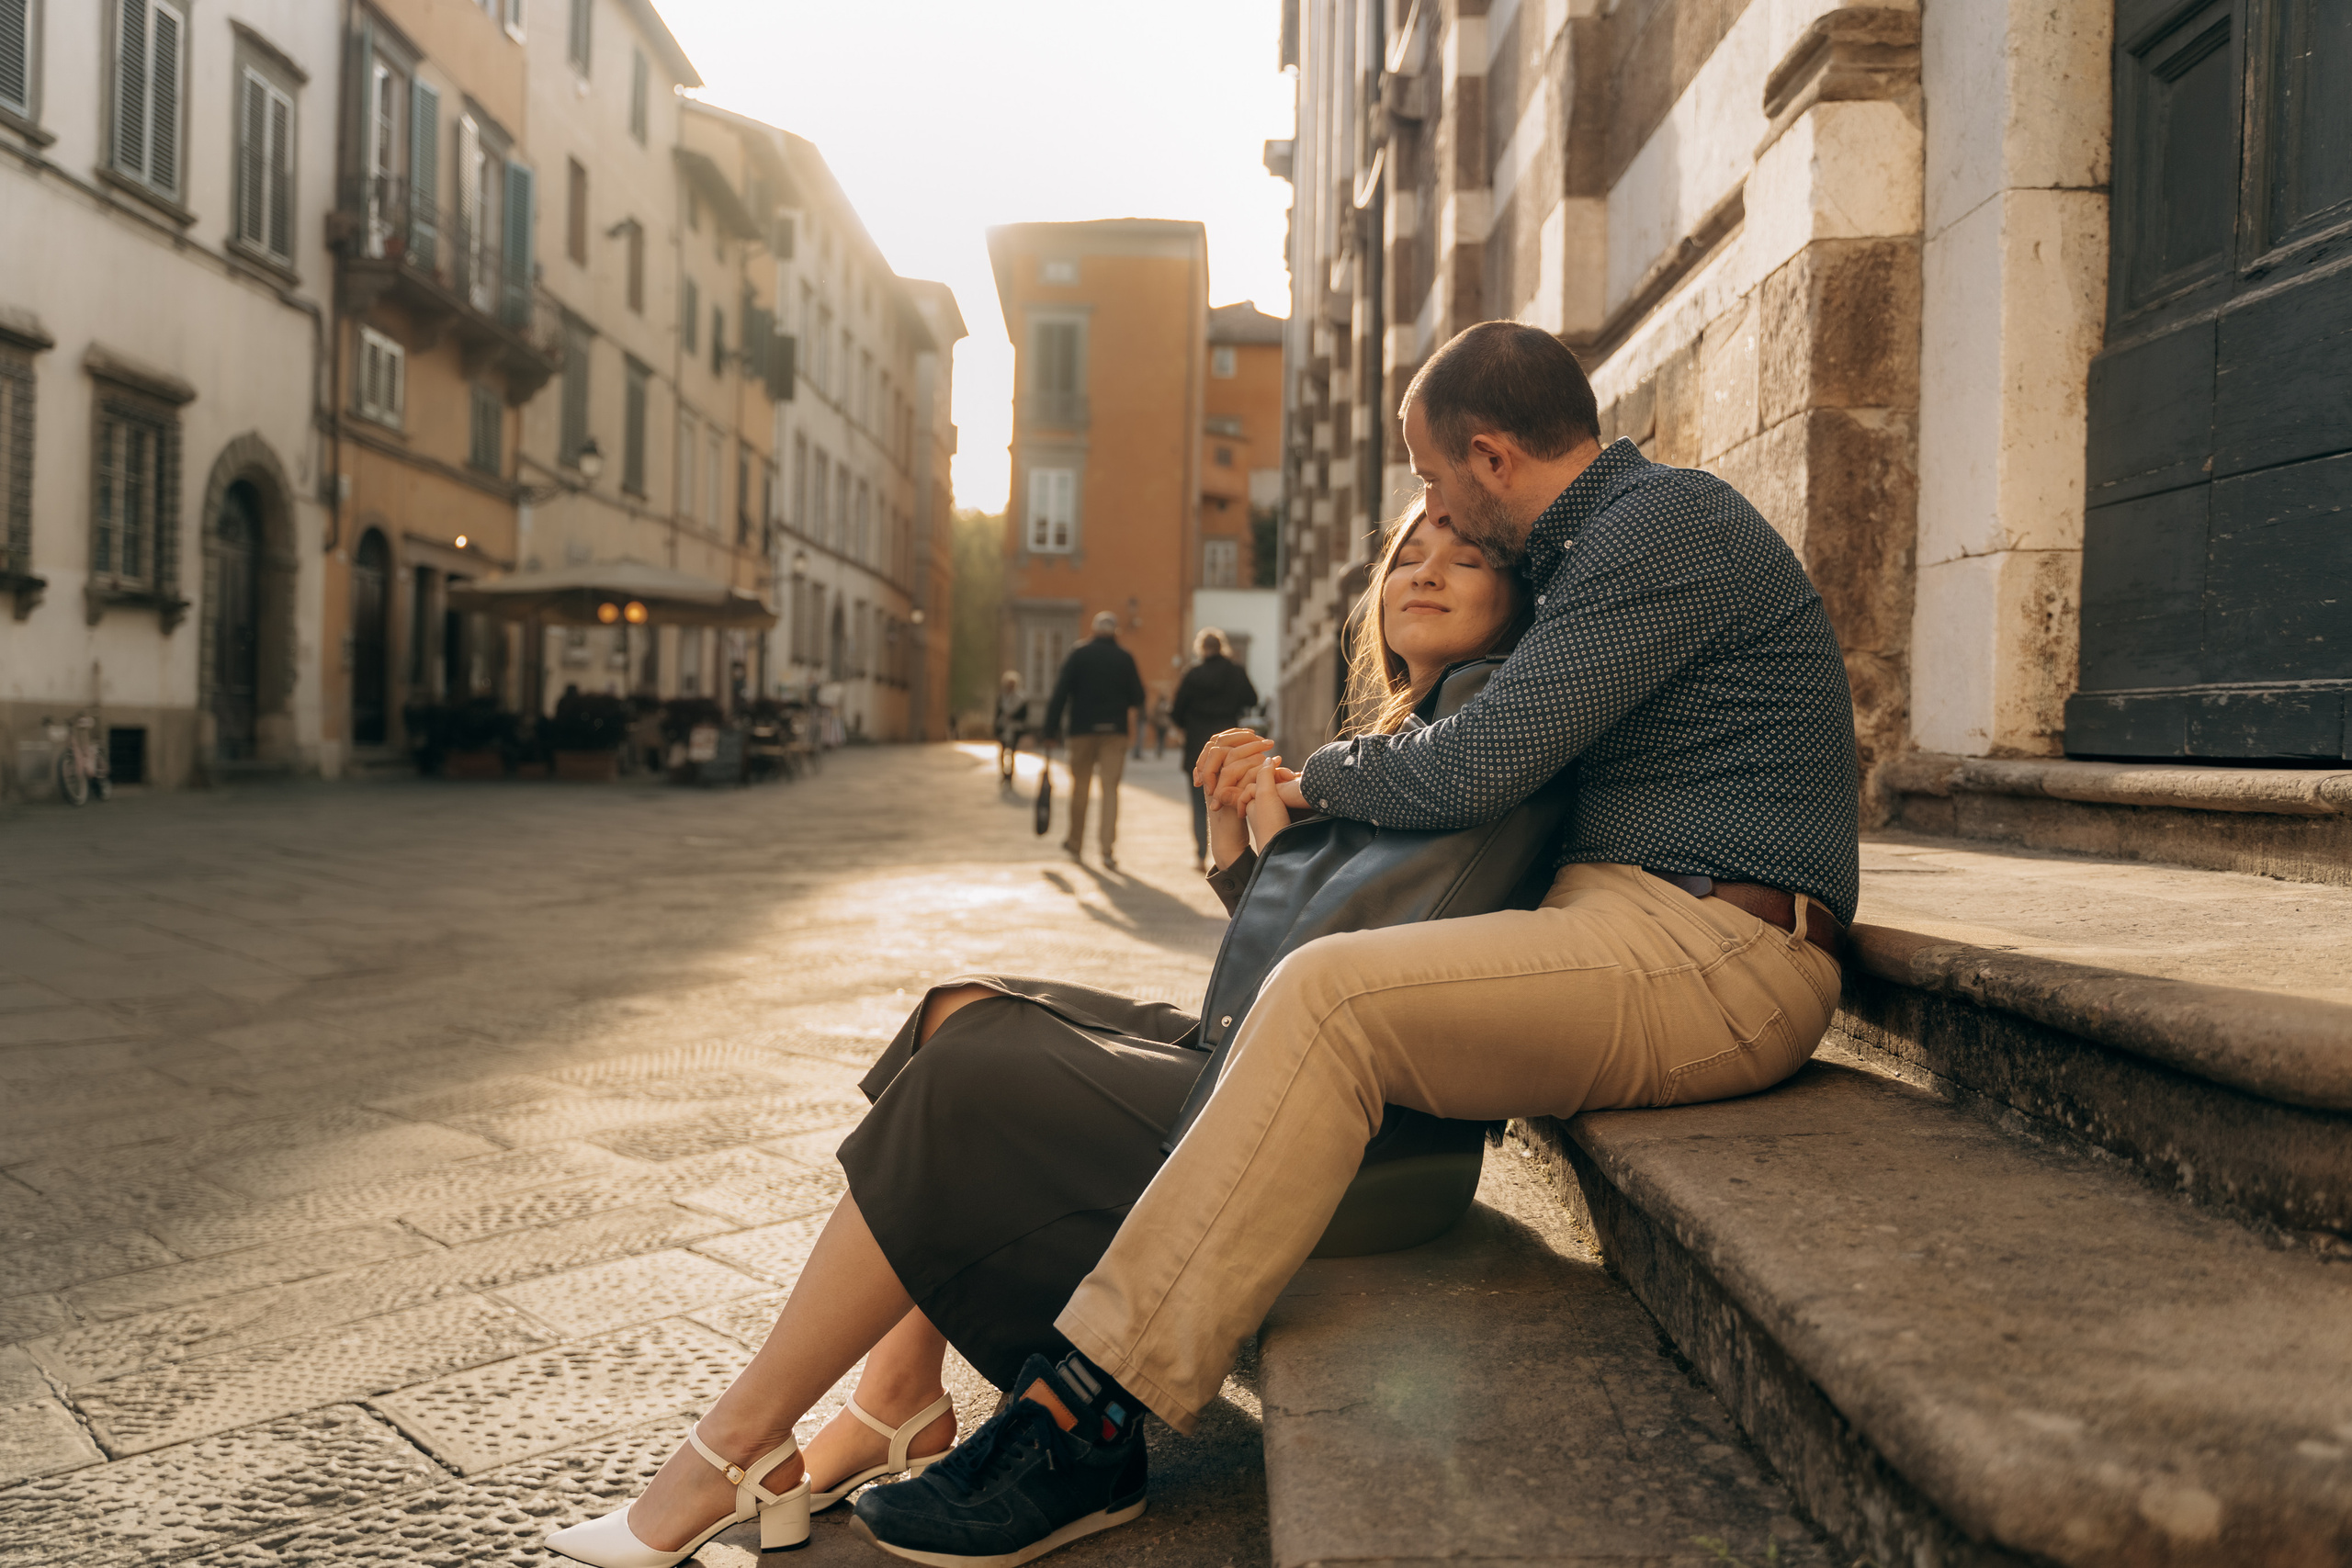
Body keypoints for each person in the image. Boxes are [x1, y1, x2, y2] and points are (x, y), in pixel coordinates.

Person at [842, 320, 1861, 1565]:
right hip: (1628, 922)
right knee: (1315, 991)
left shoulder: (1660, 528)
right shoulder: (1599, 545)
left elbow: (1479, 761)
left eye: (1434, 480)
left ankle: (1082, 1416)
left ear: (1489, 455)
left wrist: (1311, 772)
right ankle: (1021, 1371)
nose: (1428, 514)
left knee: (1329, 996)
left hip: (1721, 945)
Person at [540, 500, 1530, 1568]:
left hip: (1349, 1124)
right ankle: (898, 1397)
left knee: (975, 1074)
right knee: (957, 1009)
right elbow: (1299, 945)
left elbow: (1347, 965)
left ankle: (737, 1444)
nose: (1422, 574)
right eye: (1406, 558)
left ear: (1517, 600)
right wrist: (1240, 836)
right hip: (1271, 1053)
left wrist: (1287, 826)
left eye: (1464, 557)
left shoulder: (1484, 735)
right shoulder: (1407, 732)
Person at [1042, 611, 1146, 870]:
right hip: (1114, 731)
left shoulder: (1079, 654)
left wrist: (1049, 730)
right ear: (1115, 632)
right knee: (1110, 790)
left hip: (1081, 730)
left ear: (1093, 630)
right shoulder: (1124, 657)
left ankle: (1075, 844)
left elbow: (1060, 693)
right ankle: (1107, 850)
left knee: (1080, 788)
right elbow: (1138, 697)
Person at [1168, 628, 1261, 872]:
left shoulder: (1193, 675)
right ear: (1222, 647)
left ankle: (1200, 855)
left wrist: (1190, 721)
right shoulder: (1235, 672)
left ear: (1202, 648)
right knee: (1230, 799)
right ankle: (1235, 857)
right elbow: (1252, 698)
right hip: (1229, 747)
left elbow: (1176, 712)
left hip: (1198, 746)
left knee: (1200, 802)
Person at [992, 671, 1030, 786]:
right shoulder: (1002, 698)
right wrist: (996, 729)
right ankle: (1003, 773)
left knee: (1012, 752)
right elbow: (997, 714)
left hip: (1015, 729)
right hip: (1003, 728)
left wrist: (1013, 717)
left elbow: (1024, 716)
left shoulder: (1021, 699)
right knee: (1002, 752)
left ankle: (1011, 775)